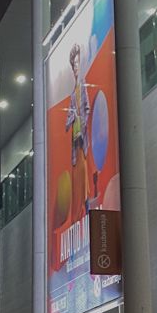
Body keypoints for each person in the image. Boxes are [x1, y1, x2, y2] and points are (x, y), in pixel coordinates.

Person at [65, 42, 91, 222]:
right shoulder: (72, 94)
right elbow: (67, 118)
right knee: (78, 180)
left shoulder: (84, 88)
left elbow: (87, 109)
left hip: (83, 142)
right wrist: (71, 119)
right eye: (73, 65)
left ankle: (86, 210)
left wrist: (82, 125)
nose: (76, 67)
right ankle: (82, 213)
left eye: (77, 63)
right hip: (76, 145)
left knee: (84, 176)